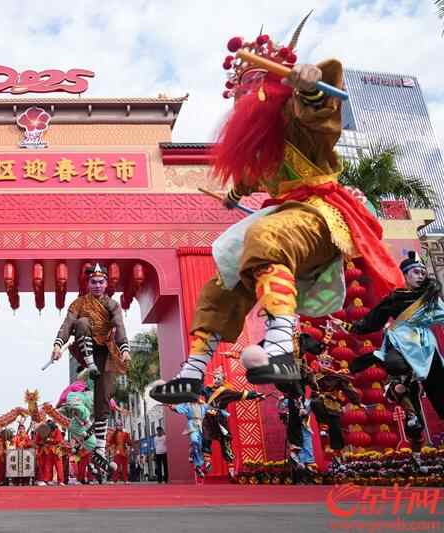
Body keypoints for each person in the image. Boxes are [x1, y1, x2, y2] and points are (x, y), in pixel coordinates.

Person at [151, 16, 403, 405]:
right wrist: (232, 197)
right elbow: (247, 180)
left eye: (257, 84)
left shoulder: (298, 123)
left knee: (265, 237)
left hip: (321, 214)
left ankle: (281, 348)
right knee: (223, 281)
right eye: (242, 91)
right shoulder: (259, 149)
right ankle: (193, 372)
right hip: (286, 216)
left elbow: (321, 116)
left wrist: (311, 86)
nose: (248, 98)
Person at [350, 252, 444, 428]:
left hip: (424, 343)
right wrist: (356, 327)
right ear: (405, 275)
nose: (420, 276)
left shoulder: (429, 297)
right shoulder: (394, 298)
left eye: (423, 273)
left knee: (439, 385)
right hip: (401, 340)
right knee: (394, 364)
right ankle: (404, 393)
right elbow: (374, 319)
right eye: (416, 272)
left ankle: (406, 387)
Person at [51, 263, 130, 465]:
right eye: (93, 282)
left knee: (103, 397)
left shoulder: (112, 305)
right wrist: (58, 345)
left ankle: (100, 449)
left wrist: (124, 349)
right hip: (86, 349)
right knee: (82, 322)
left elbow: (119, 325)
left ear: (106, 283)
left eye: (100, 282)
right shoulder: (78, 304)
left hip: (106, 352)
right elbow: (67, 325)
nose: (97, 285)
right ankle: (90, 364)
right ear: (88, 283)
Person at [201, 369, 265, 479]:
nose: (216, 380)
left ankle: (231, 469)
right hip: (208, 419)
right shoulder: (207, 389)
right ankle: (207, 462)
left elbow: (240, 395)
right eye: (215, 378)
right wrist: (199, 375)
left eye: (219, 379)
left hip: (220, 420)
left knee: (225, 442)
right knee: (205, 438)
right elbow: (198, 388)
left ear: (223, 381)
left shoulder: (226, 392)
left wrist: (255, 395)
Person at [171, 400, 209, 479]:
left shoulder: (202, 404)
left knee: (200, 445)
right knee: (194, 441)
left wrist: (215, 410)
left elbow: (211, 409)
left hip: (201, 425)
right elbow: (179, 408)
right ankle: (194, 456)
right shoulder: (187, 404)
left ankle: (199, 466)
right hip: (192, 425)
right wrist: (174, 407)